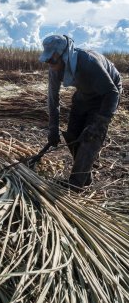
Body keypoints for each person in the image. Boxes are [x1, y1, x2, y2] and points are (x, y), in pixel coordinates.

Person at [30, 34, 122, 192]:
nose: (50, 65)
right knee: (72, 134)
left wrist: (101, 122)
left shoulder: (88, 62)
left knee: (91, 136)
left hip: (105, 95)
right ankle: (84, 176)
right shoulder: (54, 69)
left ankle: (75, 185)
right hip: (84, 94)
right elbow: (53, 99)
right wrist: (53, 128)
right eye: (47, 61)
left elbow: (112, 93)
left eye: (52, 60)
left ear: (65, 55)